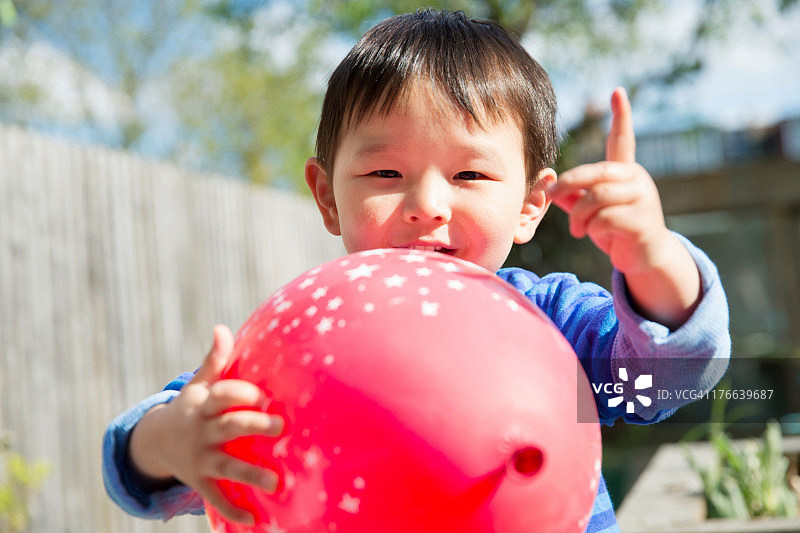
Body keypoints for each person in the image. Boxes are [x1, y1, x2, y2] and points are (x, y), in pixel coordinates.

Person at [102, 9, 730, 532]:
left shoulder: (554, 325)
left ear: (529, 206)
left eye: (470, 175)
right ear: (326, 196)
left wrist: (650, 258)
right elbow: (133, 459)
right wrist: (173, 442)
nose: (426, 205)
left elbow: (667, 377)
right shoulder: (305, 344)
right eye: (384, 174)